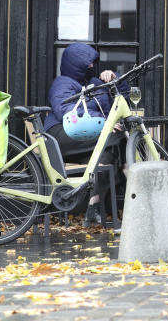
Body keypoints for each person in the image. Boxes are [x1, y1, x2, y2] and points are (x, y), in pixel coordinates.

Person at [44, 43, 127, 225]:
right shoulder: (63, 83)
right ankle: (129, 174)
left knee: (108, 154)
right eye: (87, 62)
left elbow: (124, 97)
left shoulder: (94, 83)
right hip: (61, 135)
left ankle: (93, 207)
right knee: (113, 138)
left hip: (86, 134)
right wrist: (104, 123)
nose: (91, 66)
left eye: (92, 62)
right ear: (75, 63)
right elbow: (66, 111)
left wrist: (114, 78)